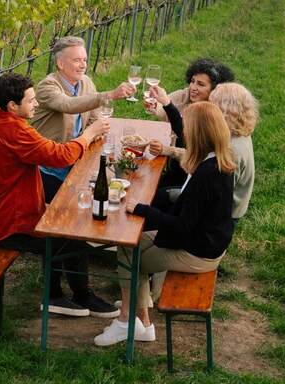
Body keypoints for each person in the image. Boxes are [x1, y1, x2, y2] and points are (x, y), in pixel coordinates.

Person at [0, 72, 118, 318]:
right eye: (31, 100)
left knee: (64, 229)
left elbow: (47, 151)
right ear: (12, 105)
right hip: (5, 226)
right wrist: (89, 134)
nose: (36, 104)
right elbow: (59, 156)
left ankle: (66, 295)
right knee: (69, 238)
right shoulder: (13, 131)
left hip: (1, 214)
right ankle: (61, 297)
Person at [94, 101, 236, 346]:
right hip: (208, 241)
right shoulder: (219, 161)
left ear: (199, 132)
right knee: (131, 242)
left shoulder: (206, 174)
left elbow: (182, 226)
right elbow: (190, 206)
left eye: (187, 127)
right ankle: (143, 325)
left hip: (198, 253)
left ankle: (126, 322)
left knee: (128, 253)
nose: (183, 133)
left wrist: (142, 208)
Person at [29, 36, 133, 312]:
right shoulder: (47, 87)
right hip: (45, 169)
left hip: (73, 162)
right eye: (77, 60)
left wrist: (101, 127)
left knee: (75, 223)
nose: (83, 64)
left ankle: (75, 292)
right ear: (60, 63)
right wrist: (107, 95)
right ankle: (62, 294)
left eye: (85, 59)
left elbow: (94, 116)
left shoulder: (85, 83)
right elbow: (68, 106)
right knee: (64, 226)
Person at [144, 57, 235, 149]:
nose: (193, 87)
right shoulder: (185, 95)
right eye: (192, 81)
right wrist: (155, 106)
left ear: (214, 89)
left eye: (200, 84)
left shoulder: (217, 111)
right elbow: (164, 106)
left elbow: (191, 140)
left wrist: (167, 104)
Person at [209, 82, 258, 226]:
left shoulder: (230, 150)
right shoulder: (238, 133)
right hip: (228, 208)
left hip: (221, 217)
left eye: (211, 106)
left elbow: (214, 200)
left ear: (224, 111)